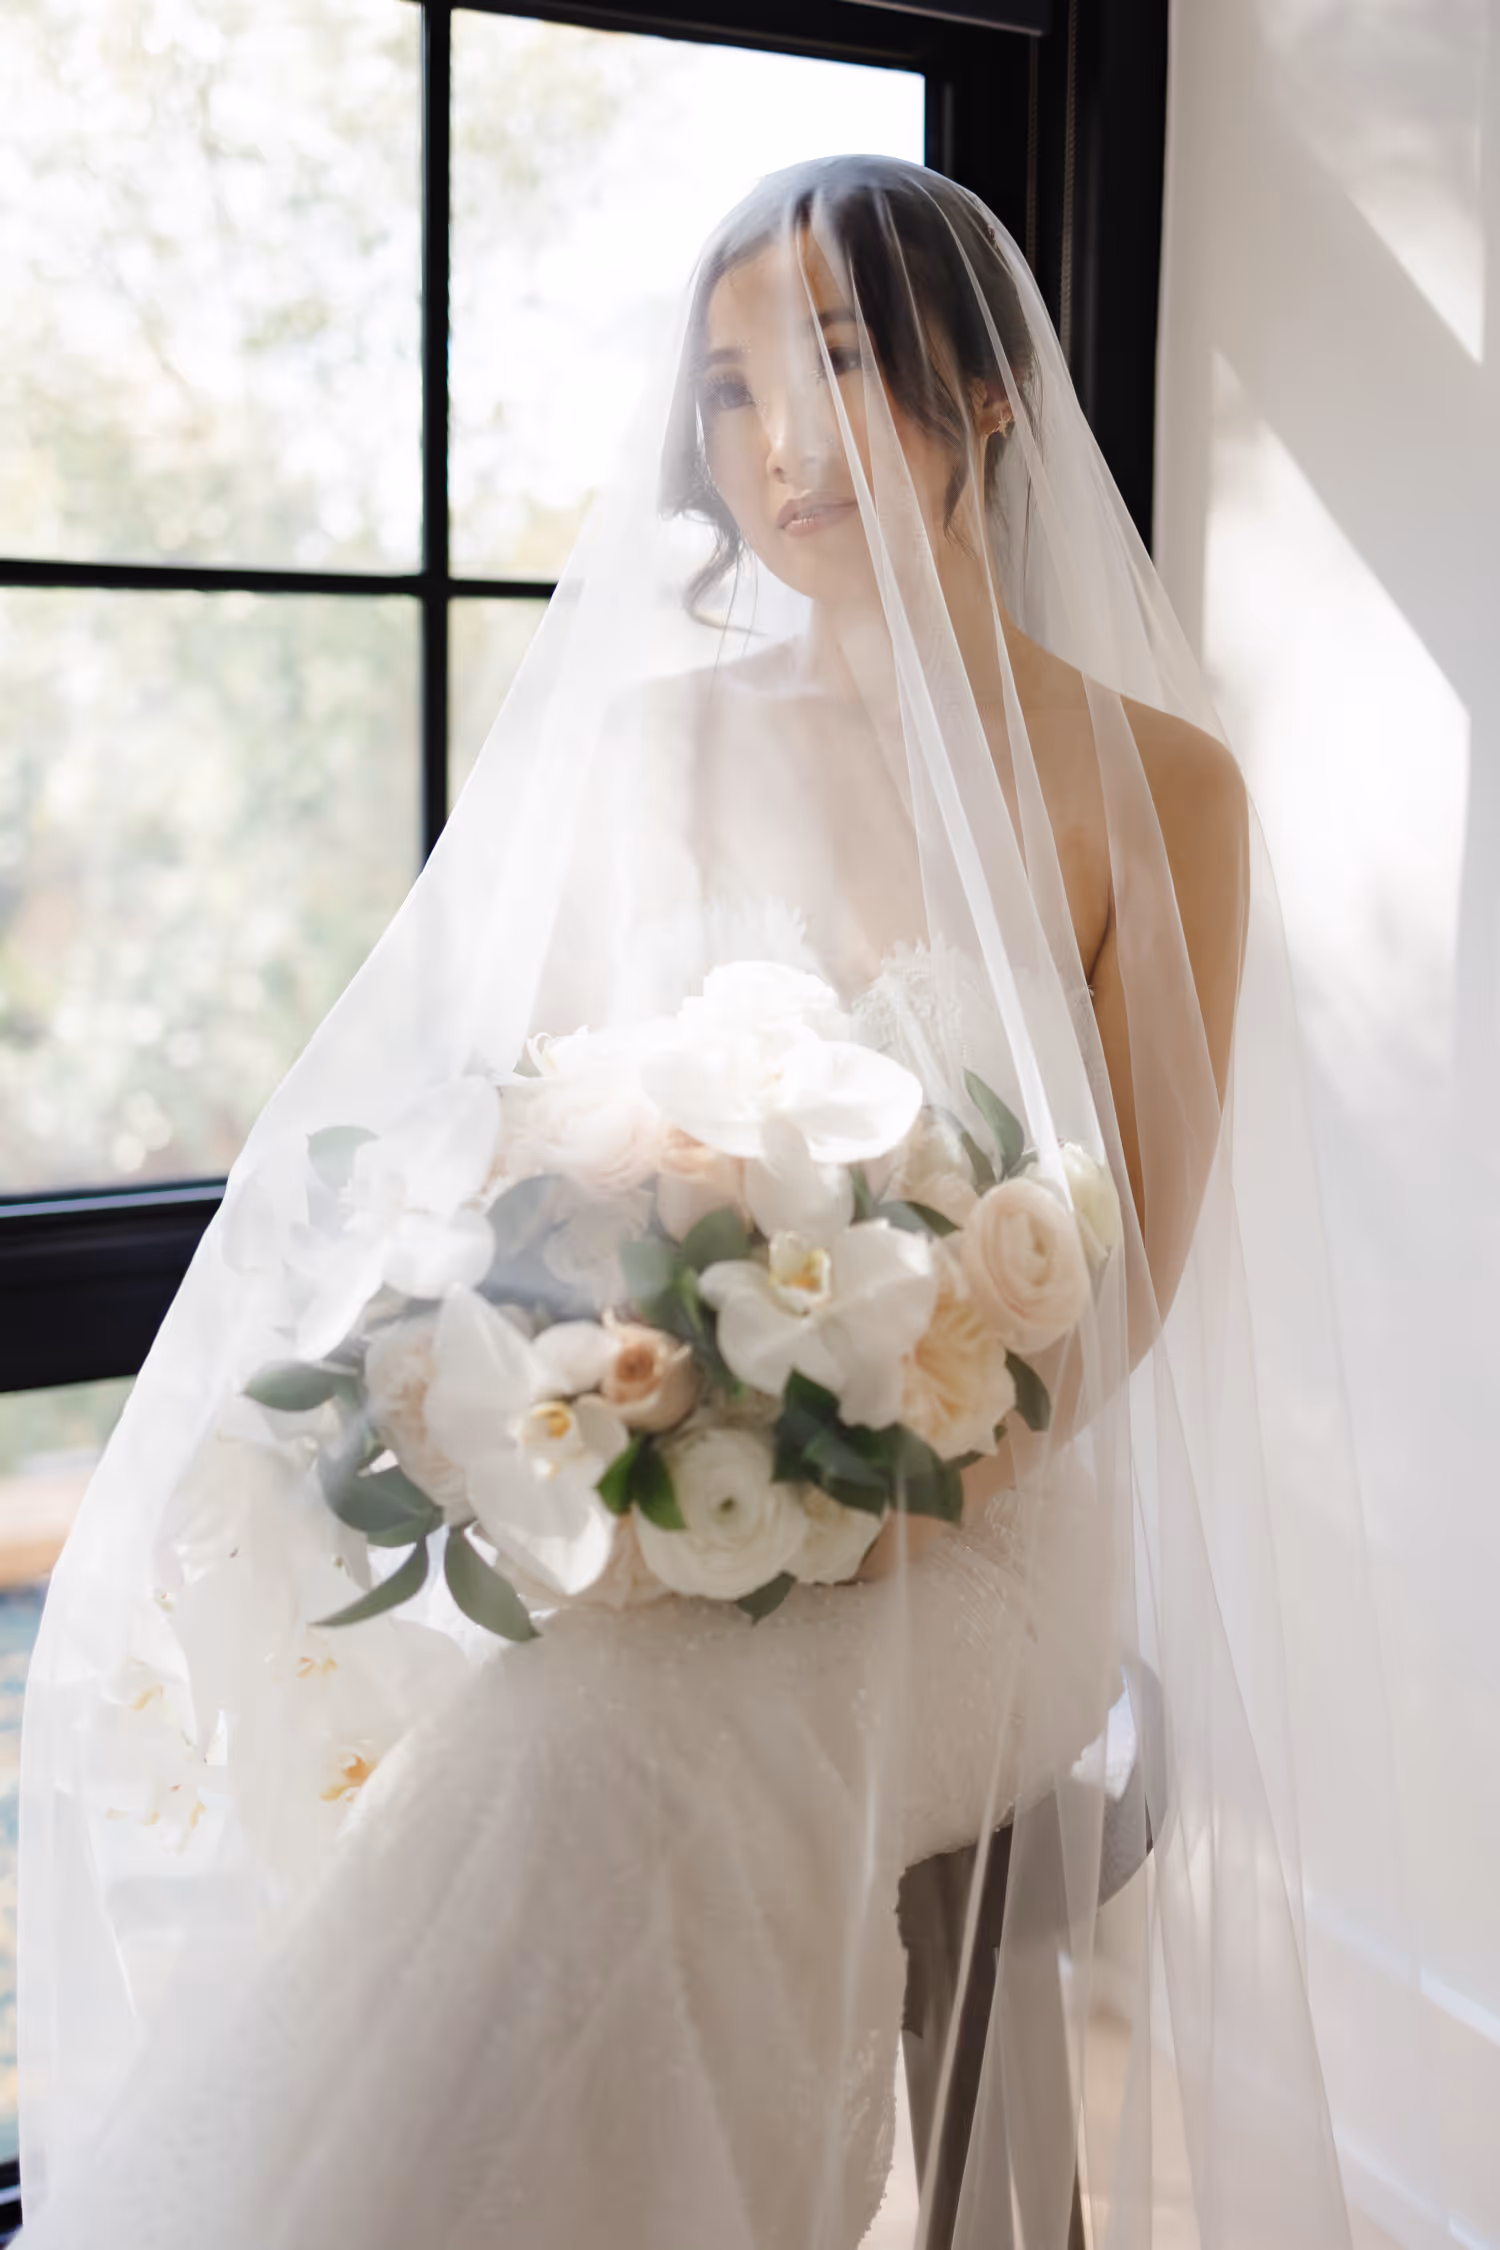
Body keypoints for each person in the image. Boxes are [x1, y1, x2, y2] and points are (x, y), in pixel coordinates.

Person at [14, 157, 1413, 2248]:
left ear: (986, 389)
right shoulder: (655, 751)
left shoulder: (1161, 788)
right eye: (733, 392)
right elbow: (549, 1159)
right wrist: (660, 1434)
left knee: (633, 1762)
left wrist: (862, 1478)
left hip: (992, 1537)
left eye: (836, 365)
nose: (781, 445)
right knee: (566, 1743)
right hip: (684, 1497)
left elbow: (1127, 1294)